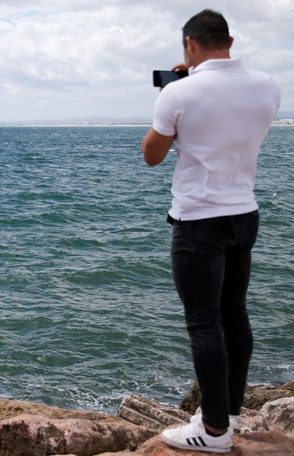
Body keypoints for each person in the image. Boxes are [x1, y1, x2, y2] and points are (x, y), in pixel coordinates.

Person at [141, 9, 280, 454]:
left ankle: (214, 432)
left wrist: (175, 90)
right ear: (230, 41)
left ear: (189, 45)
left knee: (204, 323)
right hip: (244, 214)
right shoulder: (268, 87)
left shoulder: (180, 93)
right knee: (234, 316)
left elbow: (152, 155)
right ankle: (229, 413)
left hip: (199, 220)